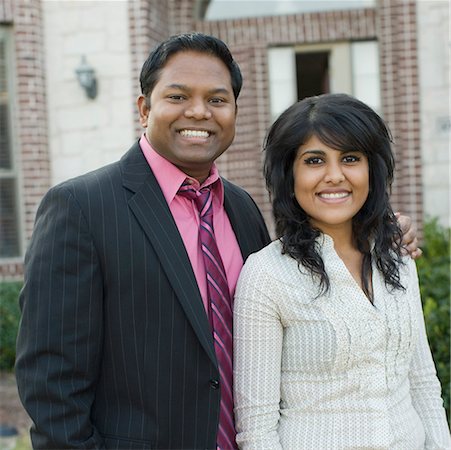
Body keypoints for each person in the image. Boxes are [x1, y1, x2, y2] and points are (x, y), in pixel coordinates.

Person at [16, 33, 419, 450]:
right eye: (177, 96)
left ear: (233, 112)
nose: (198, 111)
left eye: (217, 99)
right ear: (144, 108)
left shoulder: (241, 208)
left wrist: (381, 231)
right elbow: (51, 384)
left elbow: (301, 288)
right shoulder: (80, 207)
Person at [233, 93, 450, 450]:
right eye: (314, 160)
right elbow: (257, 428)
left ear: (372, 169)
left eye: (350, 158)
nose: (334, 176)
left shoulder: (397, 256)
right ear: (289, 175)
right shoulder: (267, 274)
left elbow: (423, 383)